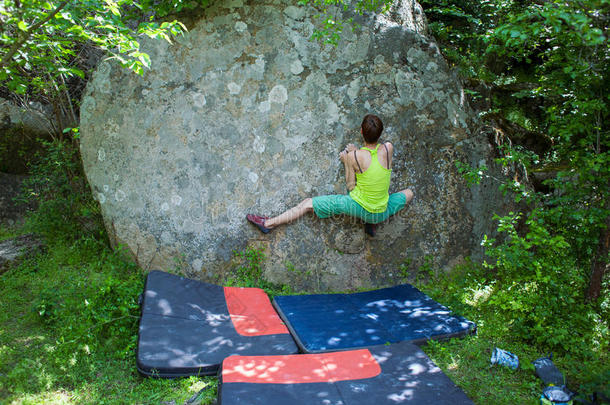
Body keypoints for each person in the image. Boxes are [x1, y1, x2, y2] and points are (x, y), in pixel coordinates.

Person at [247, 114, 413, 236]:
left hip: (359, 207)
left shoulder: (353, 157)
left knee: (307, 204)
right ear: (380, 134)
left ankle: (268, 224)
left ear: (361, 131)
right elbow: (377, 158)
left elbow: (350, 186)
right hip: (382, 211)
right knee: (409, 193)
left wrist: (347, 160)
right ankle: (371, 223)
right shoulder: (389, 148)